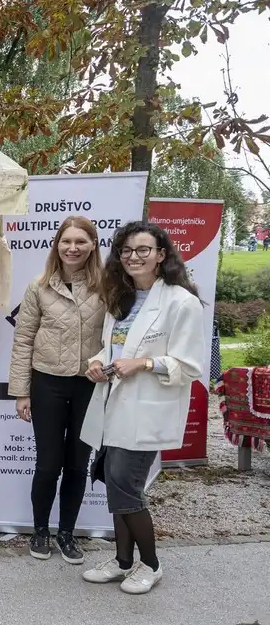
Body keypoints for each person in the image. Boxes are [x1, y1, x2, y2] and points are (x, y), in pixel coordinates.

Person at [81, 221, 204, 595]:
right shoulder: (123, 297)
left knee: (125, 487)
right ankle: (121, 562)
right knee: (115, 483)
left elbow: (190, 365)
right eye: (127, 250)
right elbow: (115, 347)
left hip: (147, 408)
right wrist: (97, 362)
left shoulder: (181, 302)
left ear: (161, 255)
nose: (134, 257)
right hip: (114, 403)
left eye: (143, 250)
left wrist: (145, 365)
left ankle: (150, 564)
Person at [9, 216, 106, 564]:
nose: (73, 248)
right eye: (66, 241)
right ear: (57, 245)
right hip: (47, 383)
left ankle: (67, 533)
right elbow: (23, 339)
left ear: (93, 245)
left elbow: (117, 335)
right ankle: (40, 531)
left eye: (81, 241)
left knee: (78, 465)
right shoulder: (40, 287)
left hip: (88, 387)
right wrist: (21, 392)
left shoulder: (107, 286)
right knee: (48, 464)